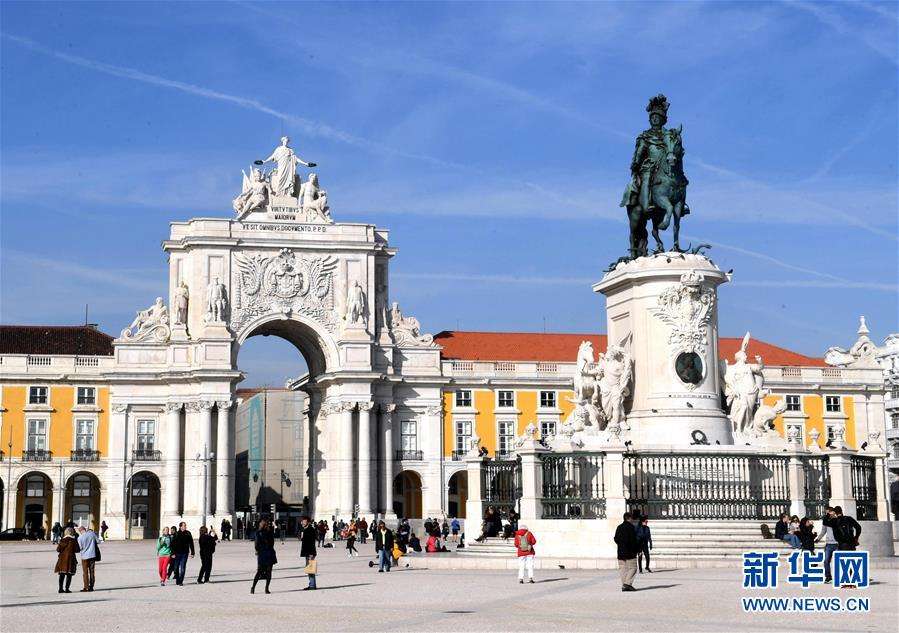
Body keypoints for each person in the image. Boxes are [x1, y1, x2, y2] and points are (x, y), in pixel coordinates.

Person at [614, 512, 639, 592]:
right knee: (633, 568)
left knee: (623, 569)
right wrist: (637, 550)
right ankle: (627, 584)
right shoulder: (631, 527)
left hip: (621, 552)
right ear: (629, 518)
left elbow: (616, 539)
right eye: (631, 518)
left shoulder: (619, 527)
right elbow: (634, 541)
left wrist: (621, 545)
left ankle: (625, 585)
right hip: (630, 552)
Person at [251, 519, 276, 594]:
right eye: (265, 524)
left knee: (266, 571)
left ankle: (264, 588)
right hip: (266, 553)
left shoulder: (265, 532)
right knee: (262, 571)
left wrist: (258, 550)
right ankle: (256, 587)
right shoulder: (260, 532)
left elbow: (257, 544)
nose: (266, 525)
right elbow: (257, 544)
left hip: (266, 553)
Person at [55, 527, 80, 593]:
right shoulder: (73, 540)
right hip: (70, 559)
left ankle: (60, 589)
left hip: (62, 559)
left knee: (62, 574)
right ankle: (67, 589)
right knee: (69, 575)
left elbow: (58, 549)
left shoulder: (62, 540)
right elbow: (77, 550)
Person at [818, 507, 839, 583]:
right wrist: (818, 539)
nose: (827, 514)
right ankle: (828, 577)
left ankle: (839, 576)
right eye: (826, 513)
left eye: (828, 512)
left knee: (838, 561)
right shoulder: (826, 521)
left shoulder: (837, 520)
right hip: (829, 544)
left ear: (833, 512)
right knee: (826, 561)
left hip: (837, 544)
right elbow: (823, 531)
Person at [77, 526, 101, 592]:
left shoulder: (80, 537)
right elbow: (98, 541)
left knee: (85, 572)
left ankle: (86, 587)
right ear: (85, 529)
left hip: (84, 557)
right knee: (92, 571)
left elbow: (80, 548)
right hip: (92, 555)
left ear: (80, 531)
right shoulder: (92, 534)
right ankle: (91, 587)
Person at [171, 522, 195, 586]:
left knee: (183, 568)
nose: (185, 527)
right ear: (180, 527)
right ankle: (177, 579)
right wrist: (172, 553)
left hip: (185, 553)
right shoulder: (176, 534)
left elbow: (191, 543)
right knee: (176, 568)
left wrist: (192, 552)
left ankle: (180, 581)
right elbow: (172, 544)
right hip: (177, 553)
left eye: (185, 525)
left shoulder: (188, 533)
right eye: (184, 526)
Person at [299, 516, 318, 590]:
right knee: (309, 569)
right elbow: (303, 539)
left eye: (304, 521)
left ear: (308, 522)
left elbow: (311, 542)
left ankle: (312, 585)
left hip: (310, 552)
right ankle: (312, 584)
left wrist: (311, 554)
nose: (302, 522)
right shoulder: (305, 529)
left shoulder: (310, 529)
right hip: (307, 552)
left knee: (310, 569)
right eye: (302, 521)